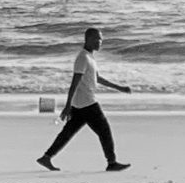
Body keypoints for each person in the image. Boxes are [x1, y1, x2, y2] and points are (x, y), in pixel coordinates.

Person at [37, 26, 131, 172]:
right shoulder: (82, 58)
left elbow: (97, 78)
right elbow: (74, 83)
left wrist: (119, 88)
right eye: (97, 39)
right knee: (104, 130)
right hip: (88, 103)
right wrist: (67, 106)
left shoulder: (89, 57)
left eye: (101, 39)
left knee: (67, 133)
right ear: (88, 39)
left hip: (80, 104)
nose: (100, 42)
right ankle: (112, 163)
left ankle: (46, 157)